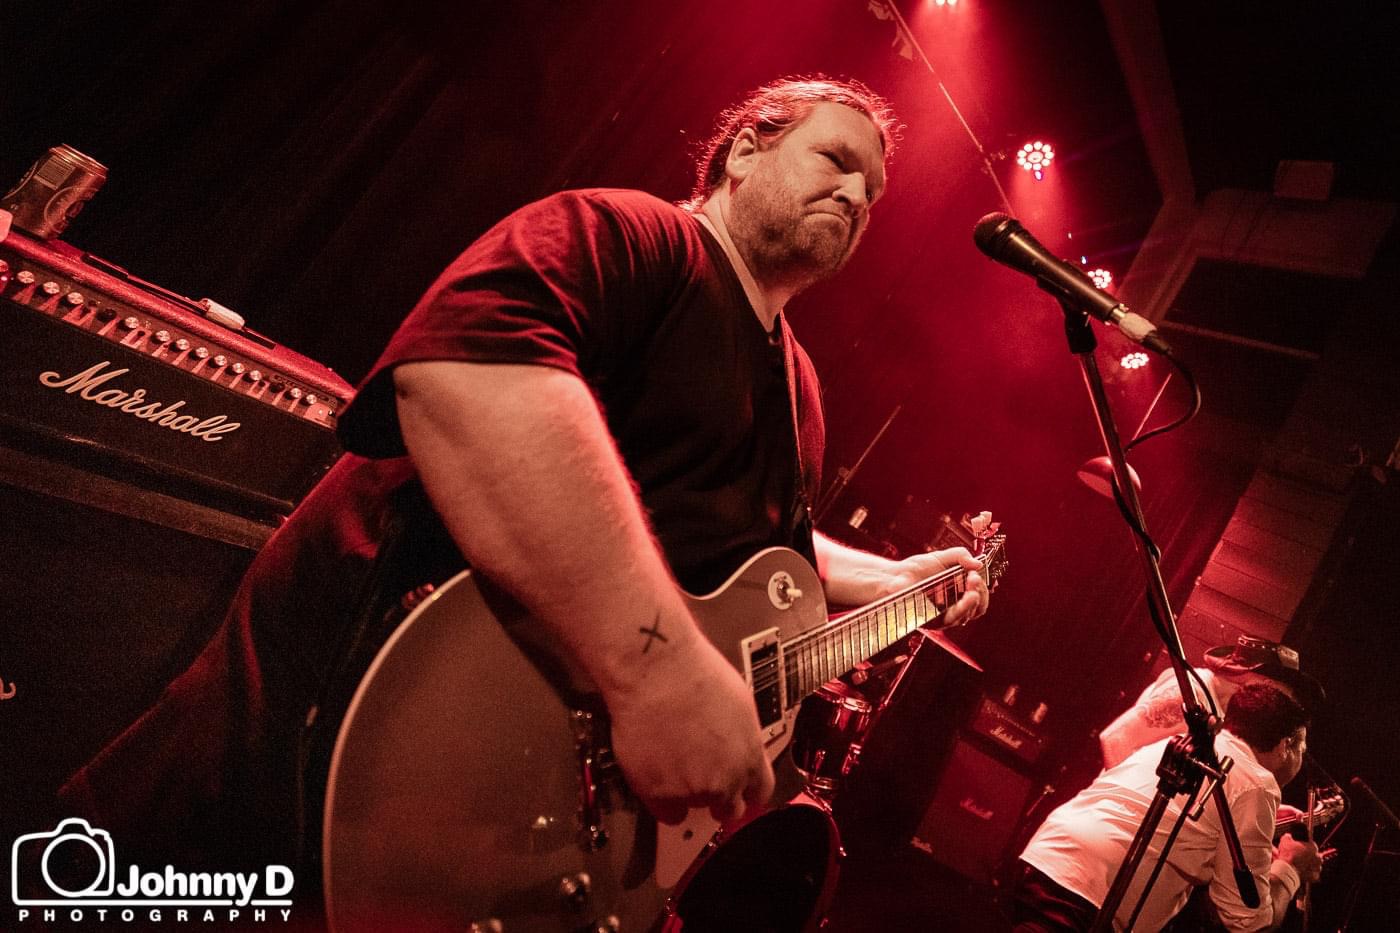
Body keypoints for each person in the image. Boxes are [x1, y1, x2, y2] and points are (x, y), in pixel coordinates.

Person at [56, 76, 990, 879]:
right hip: (308, 752)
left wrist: (892, 582)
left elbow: (746, 558)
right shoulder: (628, 235)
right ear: (746, 149)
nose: (857, 194)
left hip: (486, 809)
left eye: (872, 193)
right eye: (835, 160)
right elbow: (466, 377)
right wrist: (656, 669)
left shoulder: (800, 390)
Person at [1013, 684, 1324, 931]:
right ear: (1286, 745)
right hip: (1094, 894)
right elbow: (1248, 920)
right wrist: (1291, 867)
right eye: (1302, 748)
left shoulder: (1180, 743)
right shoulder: (1258, 783)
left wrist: (1266, 824)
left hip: (1046, 857)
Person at [1099, 635, 1325, 769]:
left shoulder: (1222, 709)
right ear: (1266, 681)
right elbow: (1115, 739)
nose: (1286, 700)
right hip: (1112, 821)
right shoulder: (1191, 693)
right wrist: (1126, 806)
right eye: (1285, 690)